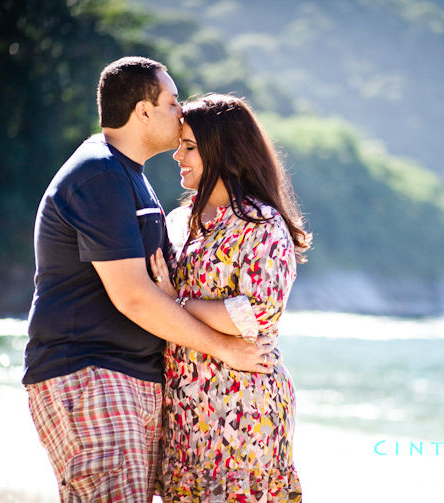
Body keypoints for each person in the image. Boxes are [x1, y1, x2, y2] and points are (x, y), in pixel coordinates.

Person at [23, 58, 276, 503]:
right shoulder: (99, 173)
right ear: (143, 111)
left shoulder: (129, 176)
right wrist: (225, 348)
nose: (180, 112)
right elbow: (135, 298)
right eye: (172, 101)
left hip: (130, 375)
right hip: (90, 371)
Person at [149, 93, 310, 502]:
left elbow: (253, 313)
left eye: (189, 147)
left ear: (221, 150)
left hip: (243, 405)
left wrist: (178, 303)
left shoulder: (261, 223)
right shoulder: (178, 222)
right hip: (184, 405)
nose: (176, 156)